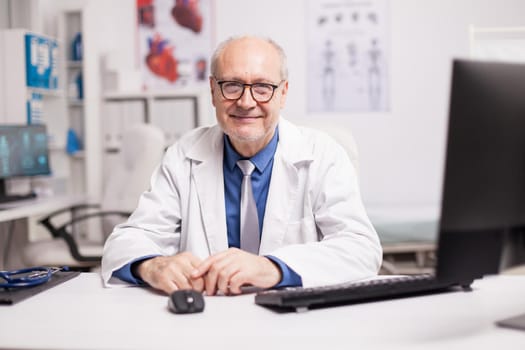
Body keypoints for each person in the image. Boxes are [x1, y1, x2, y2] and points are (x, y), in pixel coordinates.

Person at [101, 35, 382, 296]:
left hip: (294, 325)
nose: (246, 102)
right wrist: (152, 265)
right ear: (213, 91)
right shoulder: (183, 155)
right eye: (232, 86)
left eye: (262, 87)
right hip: (207, 319)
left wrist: (272, 267)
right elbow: (128, 240)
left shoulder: (324, 154)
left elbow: (361, 249)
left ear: (283, 93)